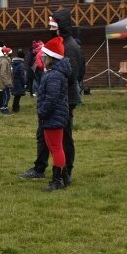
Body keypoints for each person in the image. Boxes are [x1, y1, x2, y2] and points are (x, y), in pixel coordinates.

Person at [19, 10, 82, 185]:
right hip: (53, 97)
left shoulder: (70, 46)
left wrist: (53, 85)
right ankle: (40, 167)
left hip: (64, 99)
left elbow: (72, 75)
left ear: (60, 27)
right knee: (43, 134)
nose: (50, 29)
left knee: (64, 137)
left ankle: (66, 171)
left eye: (53, 26)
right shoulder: (58, 43)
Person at [35, 37, 71, 192]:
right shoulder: (54, 73)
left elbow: (52, 98)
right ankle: (63, 177)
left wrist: (42, 112)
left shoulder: (54, 75)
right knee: (55, 147)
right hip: (54, 115)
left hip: (52, 116)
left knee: (56, 148)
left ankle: (57, 180)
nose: (42, 59)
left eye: (44, 56)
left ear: (51, 58)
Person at [0, 47, 13, 115]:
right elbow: (3, 73)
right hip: (4, 83)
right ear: (7, 53)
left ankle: (5, 108)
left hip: (5, 82)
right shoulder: (4, 61)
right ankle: (3, 109)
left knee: (7, 96)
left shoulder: (5, 60)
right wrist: (7, 82)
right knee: (6, 96)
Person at [11, 48, 27, 113]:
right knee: (18, 96)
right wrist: (25, 83)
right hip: (19, 82)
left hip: (15, 81)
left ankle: (14, 107)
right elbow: (22, 75)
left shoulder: (15, 63)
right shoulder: (21, 65)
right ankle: (16, 108)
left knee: (16, 96)